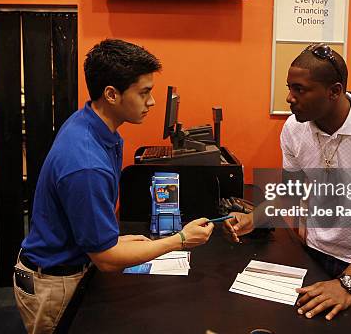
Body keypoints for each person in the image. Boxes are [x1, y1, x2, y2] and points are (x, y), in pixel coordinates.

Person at [14, 39, 214, 334]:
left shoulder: (94, 126)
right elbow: (106, 260)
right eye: (144, 93)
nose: (152, 102)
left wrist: (122, 241)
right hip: (54, 281)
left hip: (72, 264)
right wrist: (180, 240)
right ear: (111, 94)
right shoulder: (86, 164)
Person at [224, 43, 351, 328]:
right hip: (314, 256)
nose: (289, 98)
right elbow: (293, 193)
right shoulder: (294, 128)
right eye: (289, 88)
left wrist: (346, 283)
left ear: (334, 91)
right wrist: (252, 219)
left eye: (299, 90)